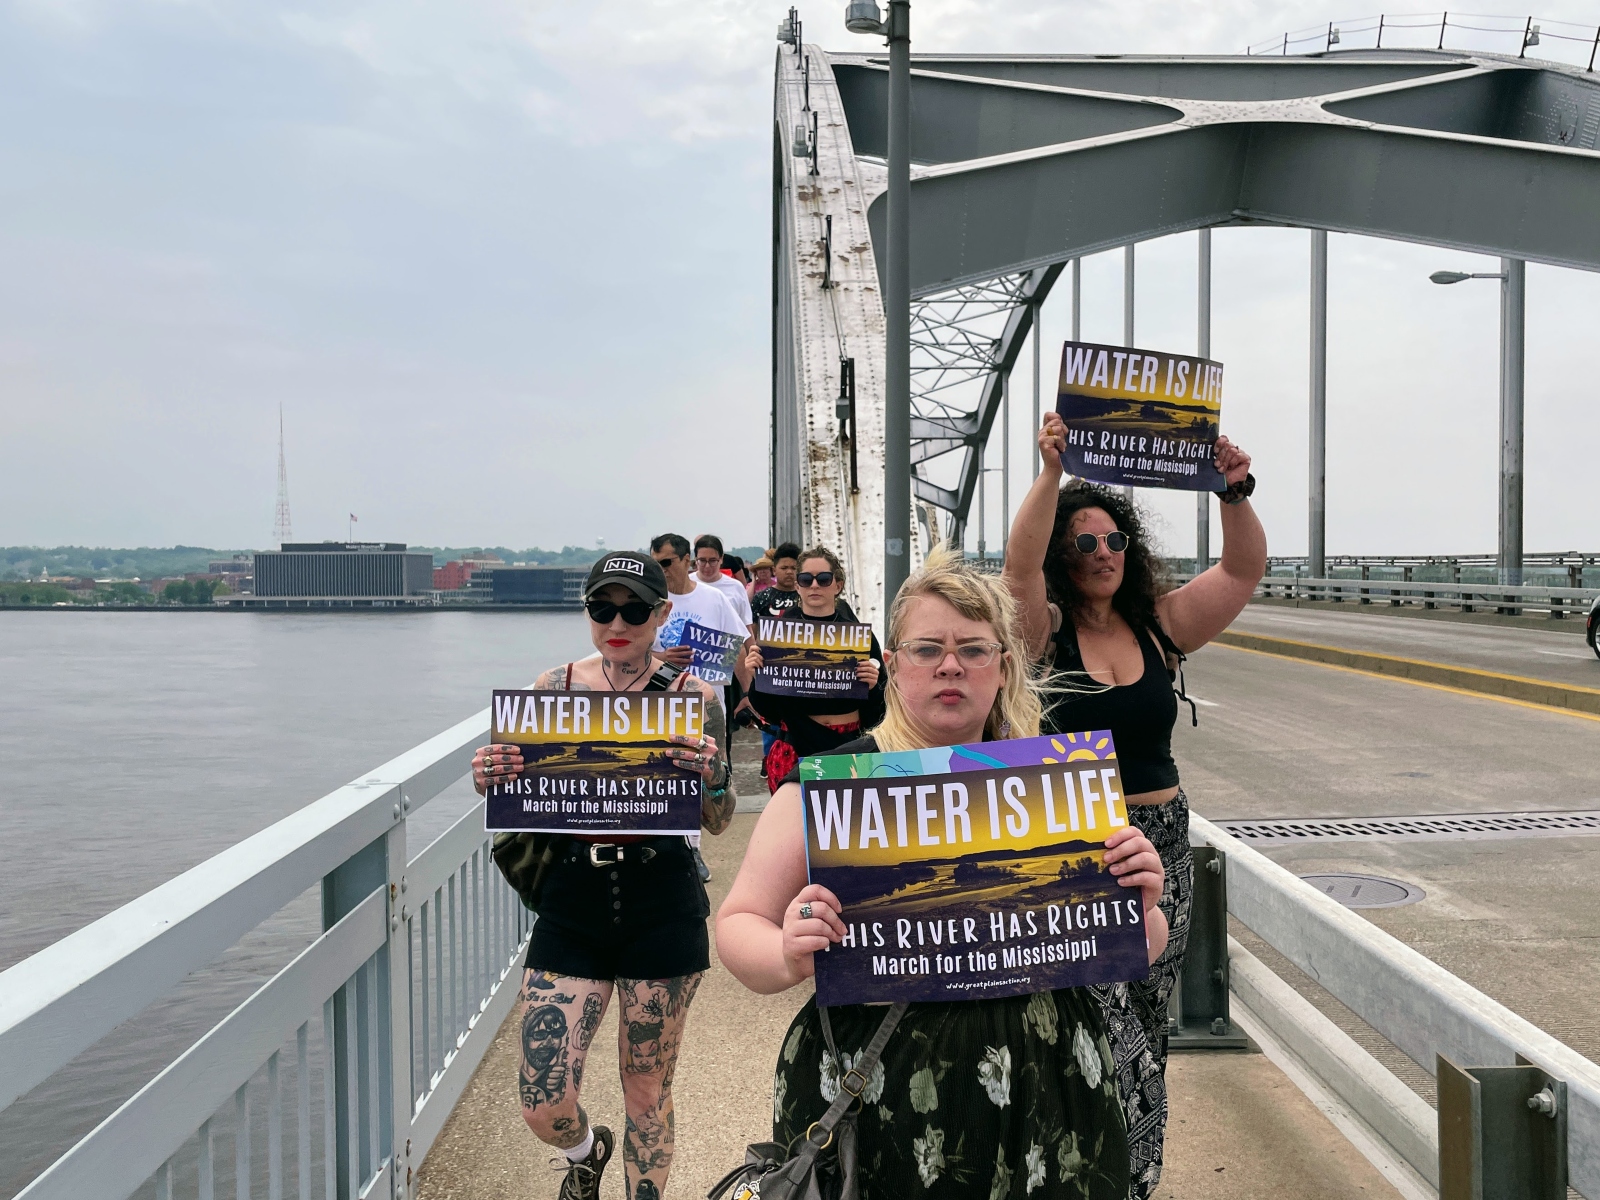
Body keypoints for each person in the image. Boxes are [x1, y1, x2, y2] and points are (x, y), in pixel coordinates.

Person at [716, 548, 1168, 1198]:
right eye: (927, 649)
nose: (950, 664)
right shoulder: (832, 790)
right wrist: (787, 952)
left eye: (973, 649)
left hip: (1045, 1084)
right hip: (880, 1085)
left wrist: (1140, 900)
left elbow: (1136, 949)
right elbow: (738, 926)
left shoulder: (1055, 788)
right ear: (894, 666)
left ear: (1003, 666)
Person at [1003, 414, 1265, 1197]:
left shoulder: (1160, 628)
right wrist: (1049, 473)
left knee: (1146, 1022)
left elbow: (1243, 569)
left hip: (1160, 845)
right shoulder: (1041, 632)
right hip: (1072, 849)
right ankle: (1074, 1165)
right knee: (1093, 1022)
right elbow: (1016, 572)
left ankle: (1134, 1176)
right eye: (1084, 544)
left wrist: (1235, 489)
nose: (1104, 554)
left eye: (1115, 539)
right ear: (1062, 556)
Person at [470, 551, 736, 1200]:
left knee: (647, 1089)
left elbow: (721, 819)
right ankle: (585, 1153)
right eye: (602, 607)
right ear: (587, 611)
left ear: (662, 614)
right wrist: (491, 777)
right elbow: (521, 790)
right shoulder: (552, 690)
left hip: (661, 901)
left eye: (634, 609)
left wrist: (714, 775)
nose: (617, 622)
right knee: (543, 1095)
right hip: (574, 902)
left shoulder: (693, 700)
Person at [737, 545, 884, 789]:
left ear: (837, 585)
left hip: (848, 746)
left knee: (846, 825)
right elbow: (768, 712)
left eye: (823, 579)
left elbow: (881, 709)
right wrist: (756, 676)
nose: (814, 585)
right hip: (793, 746)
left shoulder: (859, 637)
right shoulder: (778, 634)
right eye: (806, 579)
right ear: (797, 585)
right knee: (796, 827)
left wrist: (873, 685)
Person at [692, 534, 756, 633]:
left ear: (721, 559)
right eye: (702, 561)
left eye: (713, 561)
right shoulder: (685, 584)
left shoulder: (736, 587)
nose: (707, 566)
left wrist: (751, 647)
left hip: (727, 646)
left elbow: (746, 626)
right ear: (695, 560)